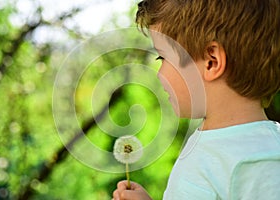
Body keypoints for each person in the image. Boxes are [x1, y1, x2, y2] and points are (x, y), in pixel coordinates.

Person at [113, 0, 280, 199]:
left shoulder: (260, 162)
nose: (159, 74)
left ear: (212, 62)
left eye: (163, 58)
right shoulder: (217, 143)